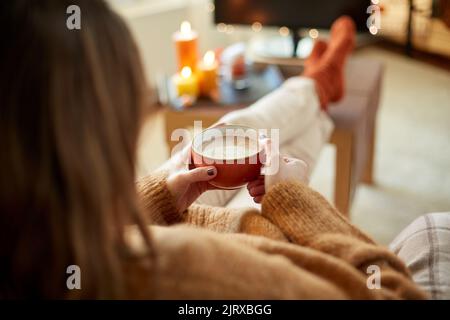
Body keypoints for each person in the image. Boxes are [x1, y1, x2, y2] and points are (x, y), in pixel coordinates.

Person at [0, 0, 427, 299]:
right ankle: (317, 86)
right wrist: (297, 201)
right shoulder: (180, 271)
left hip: (130, 222)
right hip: (252, 240)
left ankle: (316, 87)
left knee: (234, 144)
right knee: (254, 158)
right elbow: (395, 293)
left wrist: (155, 199)